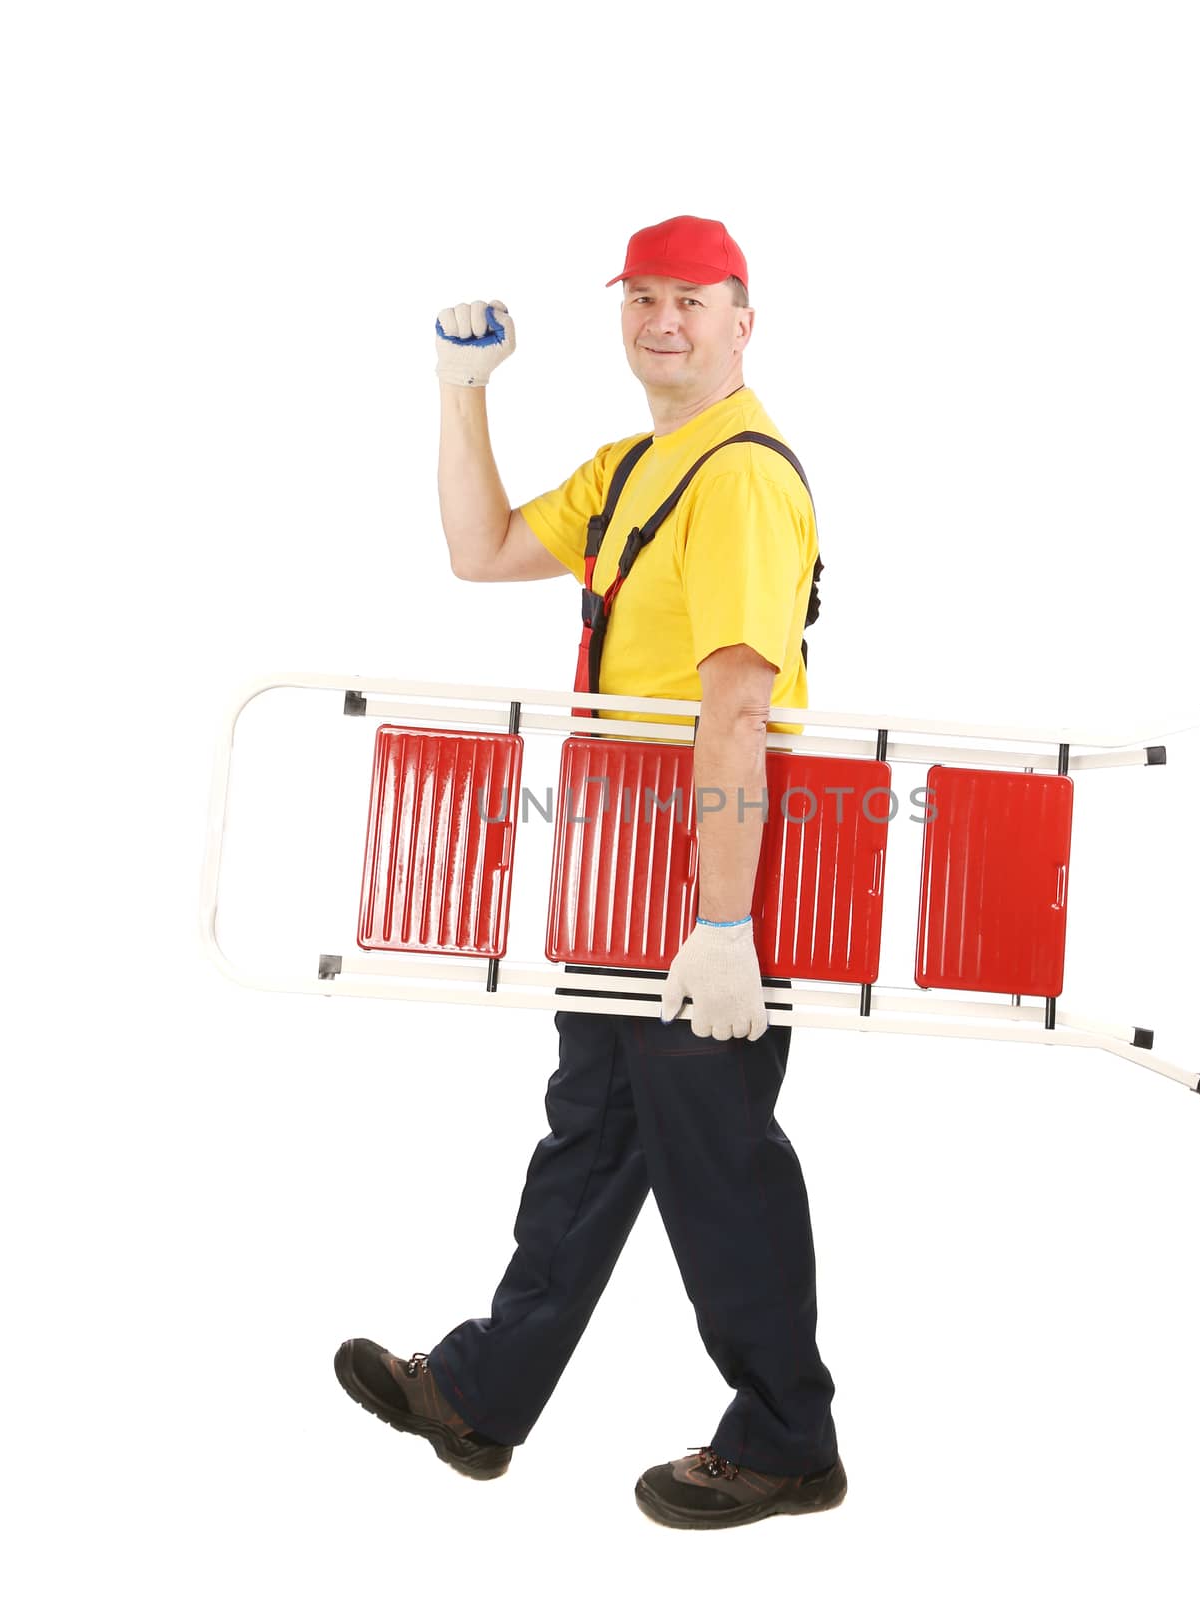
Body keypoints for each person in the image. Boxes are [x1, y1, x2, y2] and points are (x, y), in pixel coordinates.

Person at [335, 215, 845, 1531]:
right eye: (642, 300)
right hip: (624, 856)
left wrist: (722, 923)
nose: (662, 323)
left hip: (703, 864)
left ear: (744, 318)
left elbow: (736, 704)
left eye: (692, 301)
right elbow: (482, 548)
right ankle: (480, 1394)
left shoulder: (738, 475)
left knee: (714, 1152)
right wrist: (461, 395)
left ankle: (786, 1439)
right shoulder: (633, 468)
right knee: (595, 1133)